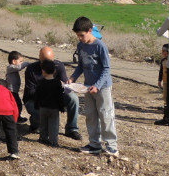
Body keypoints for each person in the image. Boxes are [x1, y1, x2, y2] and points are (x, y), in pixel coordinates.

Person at [68, 16, 118, 155]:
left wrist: (97, 85)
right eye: (77, 35)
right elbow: (81, 66)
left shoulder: (100, 46)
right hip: (88, 87)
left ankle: (111, 146)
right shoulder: (81, 46)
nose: (79, 38)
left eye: (82, 35)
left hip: (102, 87)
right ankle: (94, 144)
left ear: (90, 31)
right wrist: (72, 78)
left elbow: (106, 68)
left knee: (106, 115)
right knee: (90, 115)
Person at [23, 47, 82, 140]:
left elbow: (66, 85)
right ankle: (35, 124)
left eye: (50, 62)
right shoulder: (31, 69)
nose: (47, 65)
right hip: (35, 100)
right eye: (44, 62)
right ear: (39, 58)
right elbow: (30, 92)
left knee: (73, 98)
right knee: (41, 112)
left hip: (53, 98)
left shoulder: (58, 66)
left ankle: (72, 129)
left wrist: (66, 85)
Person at [34, 59, 66, 147]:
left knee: (43, 124)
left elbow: (37, 95)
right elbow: (59, 96)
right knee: (54, 125)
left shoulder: (41, 82)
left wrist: (36, 105)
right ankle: (53, 141)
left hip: (43, 107)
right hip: (54, 108)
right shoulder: (57, 83)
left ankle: (43, 138)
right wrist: (61, 107)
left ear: (43, 71)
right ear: (55, 71)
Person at [5, 51, 29, 121]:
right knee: (18, 105)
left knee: (16, 104)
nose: (21, 63)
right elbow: (19, 67)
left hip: (14, 91)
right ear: (14, 61)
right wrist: (27, 63)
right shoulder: (10, 67)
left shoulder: (13, 68)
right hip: (11, 91)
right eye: (20, 61)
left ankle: (15, 117)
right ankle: (17, 118)